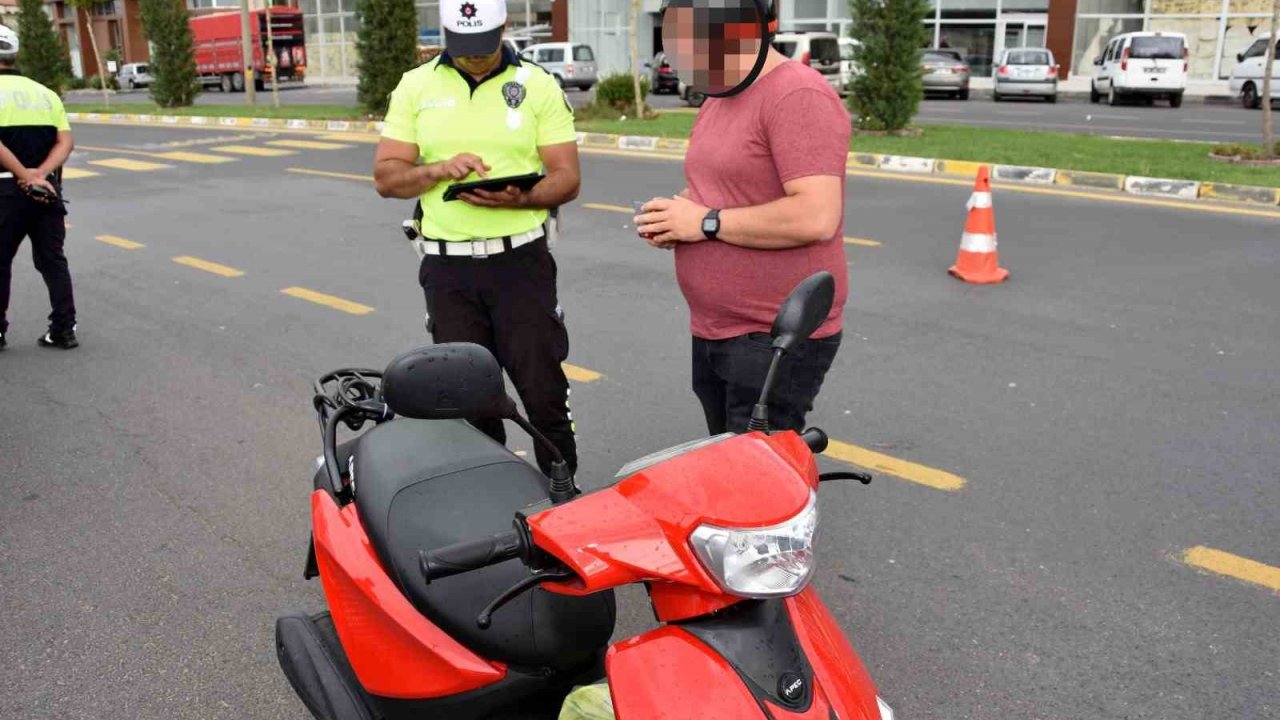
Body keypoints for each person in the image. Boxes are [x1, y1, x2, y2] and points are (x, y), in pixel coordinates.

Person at [373, 0, 582, 475]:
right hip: (448, 271)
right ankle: (490, 501)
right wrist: (437, 171)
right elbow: (387, 178)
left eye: (483, 47)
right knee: (467, 402)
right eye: (462, 47)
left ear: (505, 27)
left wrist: (520, 199)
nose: (472, 57)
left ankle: (563, 504)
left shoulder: (535, 84)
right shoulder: (416, 85)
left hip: (520, 265)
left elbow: (567, 178)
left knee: (544, 393)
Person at [638, 0, 850, 435]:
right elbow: (720, 187)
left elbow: (816, 215)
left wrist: (704, 223)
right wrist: (677, 217)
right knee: (729, 466)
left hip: (771, 333)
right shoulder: (721, 94)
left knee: (758, 483)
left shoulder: (797, 94)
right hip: (717, 328)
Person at [0, 26, 77, 351]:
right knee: (52, 260)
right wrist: (41, 174)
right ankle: (63, 329)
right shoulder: (45, 93)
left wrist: (22, 174)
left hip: (4, 192)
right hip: (47, 191)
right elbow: (66, 141)